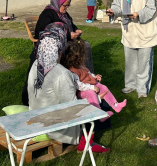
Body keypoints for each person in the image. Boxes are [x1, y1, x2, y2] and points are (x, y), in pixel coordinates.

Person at [28, 22, 109, 153]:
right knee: (98, 105)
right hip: (53, 125)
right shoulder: (61, 73)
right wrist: (96, 99)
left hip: (35, 114)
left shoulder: (37, 63)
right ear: (60, 46)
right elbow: (73, 108)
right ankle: (86, 142)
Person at [21, 0, 94, 106]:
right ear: (58, 3)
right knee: (80, 48)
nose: (67, 8)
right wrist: (69, 36)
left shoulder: (64, 14)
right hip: (51, 45)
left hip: (64, 41)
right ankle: (80, 80)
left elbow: (71, 25)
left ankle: (86, 77)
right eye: (65, 5)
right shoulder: (48, 14)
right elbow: (42, 32)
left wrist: (76, 31)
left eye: (68, 5)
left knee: (85, 45)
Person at [106, 0, 157, 99]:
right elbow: (117, 6)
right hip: (129, 31)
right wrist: (113, 11)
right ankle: (130, 84)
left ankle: (142, 89)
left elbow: (151, 9)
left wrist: (139, 14)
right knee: (130, 62)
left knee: (144, 63)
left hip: (145, 32)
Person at [60, 39, 127, 122]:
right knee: (91, 93)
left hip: (88, 86)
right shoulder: (72, 71)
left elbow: (87, 73)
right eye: (81, 57)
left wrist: (94, 77)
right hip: (80, 91)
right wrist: (92, 87)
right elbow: (78, 85)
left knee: (103, 87)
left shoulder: (80, 65)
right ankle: (99, 115)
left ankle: (115, 105)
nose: (83, 58)